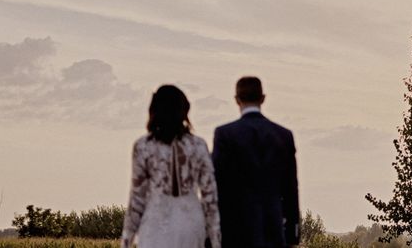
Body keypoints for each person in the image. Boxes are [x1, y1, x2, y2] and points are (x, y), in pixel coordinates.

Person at [122, 85, 220, 248]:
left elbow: (137, 198)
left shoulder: (143, 146)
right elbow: (210, 197)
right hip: (190, 223)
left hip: (156, 222)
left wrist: (126, 240)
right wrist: (216, 240)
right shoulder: (198, 146)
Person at [213, 76, 300, 248]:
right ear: (263, 98)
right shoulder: (284, 135)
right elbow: (291, 188)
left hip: (235, 226)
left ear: (237, 100)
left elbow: (218, 184)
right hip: (273, 225)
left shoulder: (225, 134)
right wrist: (292, 233)